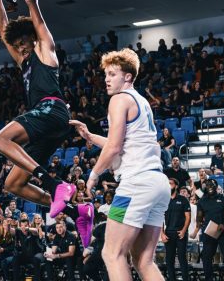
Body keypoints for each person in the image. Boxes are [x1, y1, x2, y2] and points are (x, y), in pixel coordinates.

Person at [0, 0, 90, 225]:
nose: (20, 48)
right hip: (47, 124)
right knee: (13, 184)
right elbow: (1, 25)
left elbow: (41, 25)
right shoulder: (23, 61)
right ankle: (77, 212)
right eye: (17, 45)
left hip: (51, 109)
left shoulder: (45, 51)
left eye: (23, 43)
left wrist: (32, 2)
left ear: (32, 38)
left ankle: (54, 184)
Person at [70, 48, 170, 281]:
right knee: (143, 261)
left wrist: (93, 175)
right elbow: (124, 144)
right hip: (157, 184)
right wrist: (90, 137)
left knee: (111, 253)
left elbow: (114, 148)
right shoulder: (141, 101)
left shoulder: (118, 99)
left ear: (127, 76)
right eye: (105, 74)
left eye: (112, 74)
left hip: (135, 185)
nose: (106, 79)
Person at [190, 178, 224, 280]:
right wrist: (197, 230)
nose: (210, 187)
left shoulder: (223, 198)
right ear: (205, 187)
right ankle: (209, 279)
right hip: (209, 233)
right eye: (207, 185)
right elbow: (199, 219)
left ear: (216, 186)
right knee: (206, 257)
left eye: (212, 185)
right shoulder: (202, 201)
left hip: (223, 231)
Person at [161, 178, 190, 281]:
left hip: (180, 233)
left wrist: (183, 231)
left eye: (170, 184)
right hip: (168, 233)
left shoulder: (183, 200)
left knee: (182, 259)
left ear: (176, 186)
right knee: (169, 260)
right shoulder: (164, 200)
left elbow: (188, 217)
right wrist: (162, 233)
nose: (168, 186)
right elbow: (160, 218)